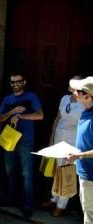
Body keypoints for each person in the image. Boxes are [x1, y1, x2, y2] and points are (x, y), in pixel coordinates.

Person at [0, 72, 43, 218]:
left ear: (24, 82)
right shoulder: (7, 99)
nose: (15, 84)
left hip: (26, 141)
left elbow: (40, 115)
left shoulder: (31, 97)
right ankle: (12, 199)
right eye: (12, 82)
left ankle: (27, 205)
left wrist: (21, 116)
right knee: (10, 171)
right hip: (9, 139)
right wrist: (13, 111)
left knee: (27, 174)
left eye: (18, 82)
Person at [43, 76, 84, 217]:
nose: (70, 84)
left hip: (74, 140)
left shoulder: (85, 101)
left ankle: (62, 205)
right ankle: (54, 198)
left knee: (67, 172)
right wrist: (51, 139)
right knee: (57, 171)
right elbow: (57, 118)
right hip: (59, 137)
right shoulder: (65, 99)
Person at [67, 76, 93, 224]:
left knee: (90, 216)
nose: (74, 93)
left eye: (77, 92)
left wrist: (79, 155)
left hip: (91, 176)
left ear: (88, 96)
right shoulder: (86, 112)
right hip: (85, 173)